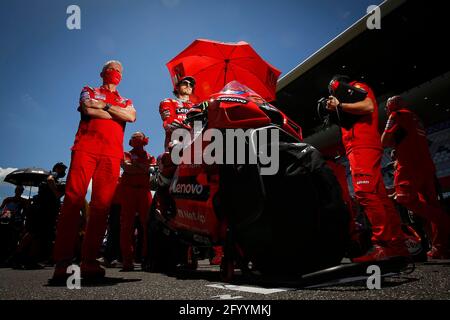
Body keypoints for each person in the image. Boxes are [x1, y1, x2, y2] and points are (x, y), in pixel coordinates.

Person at [52, 60, 136, 281]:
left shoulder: (125, 100)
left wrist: (106, 108)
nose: (115, 72)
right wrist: (115, 113)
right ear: (102, 73)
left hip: (111, 155)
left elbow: (131, 116)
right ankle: (63, 261)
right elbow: (88, 107)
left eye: (119, 70)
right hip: (85, 149)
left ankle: (89, 261)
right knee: (73, 199)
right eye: (111, 69)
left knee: (101, 207)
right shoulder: (89, 90)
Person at [326, 75, 409, 262]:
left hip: (362, 145)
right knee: (380, 196)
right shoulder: (350, 97)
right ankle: (397, 246)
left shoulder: (357, 86)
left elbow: (368, 106)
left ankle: (384, 246)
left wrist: (339, 105)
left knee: (364, 193)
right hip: (361, 145)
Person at [381, 95, 450, 259]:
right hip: (426, 166)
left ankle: (444, 220)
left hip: (410, 166)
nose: (386, 110)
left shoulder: (396, 115)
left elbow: (384, 141)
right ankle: (439, 248)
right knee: (431, 205)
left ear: (392, 106)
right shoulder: (416, 118)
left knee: (405, 200)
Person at [14, 162, 67, 268]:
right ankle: (18, 258)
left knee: (36, 234)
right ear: (57, 168)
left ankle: (28, 259)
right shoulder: (53, 174)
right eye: (62, 169)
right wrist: (57, 192)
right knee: (33, 233)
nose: (64, 172)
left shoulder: (54, 179)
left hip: (43, 209)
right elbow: (50, 180)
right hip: (43, 209)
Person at [119, 131, 156, 271]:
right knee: (127, 226)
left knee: (148, 225)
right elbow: (126, 167)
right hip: (128, 191)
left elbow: (150, 170)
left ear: (144, 140)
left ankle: (147, 258)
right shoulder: (126, 154)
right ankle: (127, 260)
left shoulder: (150, 156)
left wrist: (136, 165)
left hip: (144, 191)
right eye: (134, 138)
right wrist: (144, 168)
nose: (136, 139)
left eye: (138, 137)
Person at [159, 76, 195, 151]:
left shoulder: (196, 106)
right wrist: (193, 129)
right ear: (177, 88)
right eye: (185, 83)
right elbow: (170, 124)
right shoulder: (167, 102)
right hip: (174, 146)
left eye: (191, 85)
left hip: (195, 147)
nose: (188, 86)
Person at [0, 185, 28, 264]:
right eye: (17, 189)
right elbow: (1, 208)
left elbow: (24, 212)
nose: (18, 191)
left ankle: (10, 257)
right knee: (5, 238)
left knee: (14, 239)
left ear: (22, 191)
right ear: (15, 190)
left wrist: (22, 220)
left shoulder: (23, 201)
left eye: (20, 190)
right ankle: (5, 257)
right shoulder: (8, 199)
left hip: (16, 221)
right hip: (6, 220)